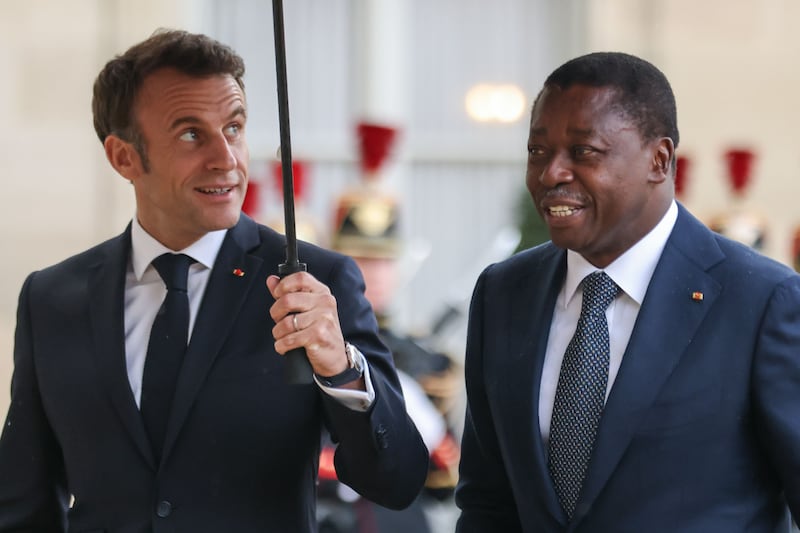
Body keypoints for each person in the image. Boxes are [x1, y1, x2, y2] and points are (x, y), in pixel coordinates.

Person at [0, 29, 428, 532]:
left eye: (235, 127)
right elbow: (22, 504)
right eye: (190, 133)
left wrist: (342, 369)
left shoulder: (317, 283)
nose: (226, 158)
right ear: (123, 157)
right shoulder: (52, 299)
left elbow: (397, 481)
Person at [455, 51, 800, 532]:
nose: (551, 173)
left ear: (659, 161)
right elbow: (488, 500)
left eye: (583, 152)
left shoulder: (763, 302)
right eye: (537, 151)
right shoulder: (503, 293)